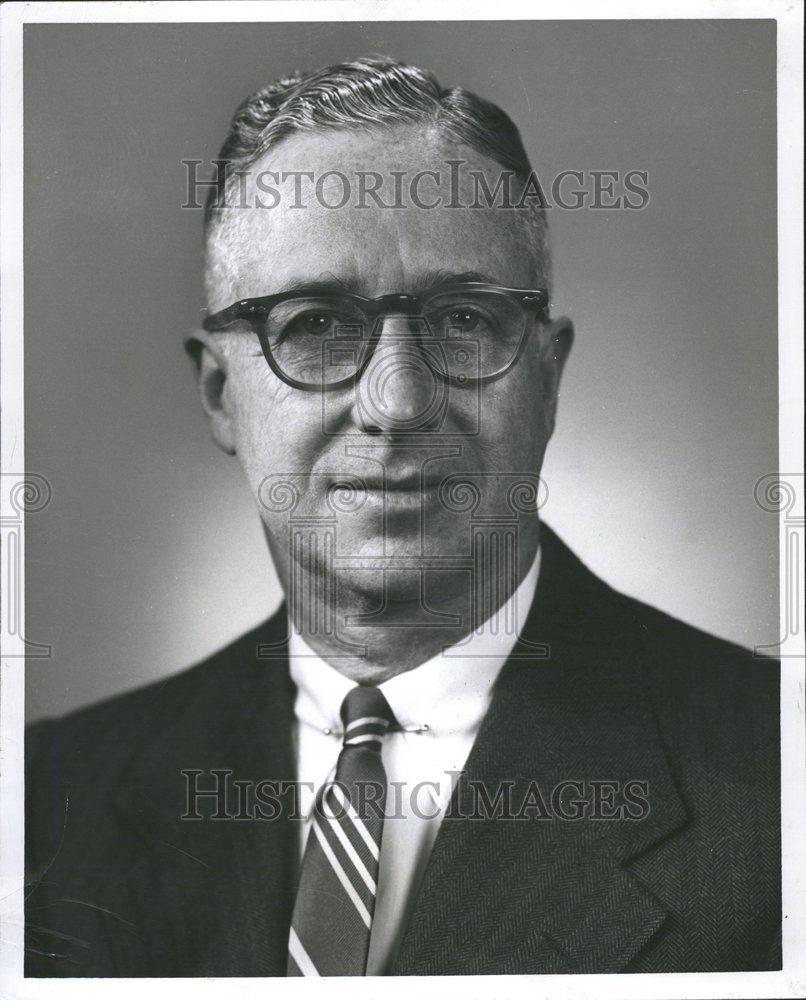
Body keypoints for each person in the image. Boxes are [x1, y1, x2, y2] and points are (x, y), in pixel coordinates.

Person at [25, 56, 780, 977]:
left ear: (546, 379)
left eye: (463, 321)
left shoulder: (779, 786)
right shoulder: (43, 802)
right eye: (314, 324)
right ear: (221, 392)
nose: (397, 402)